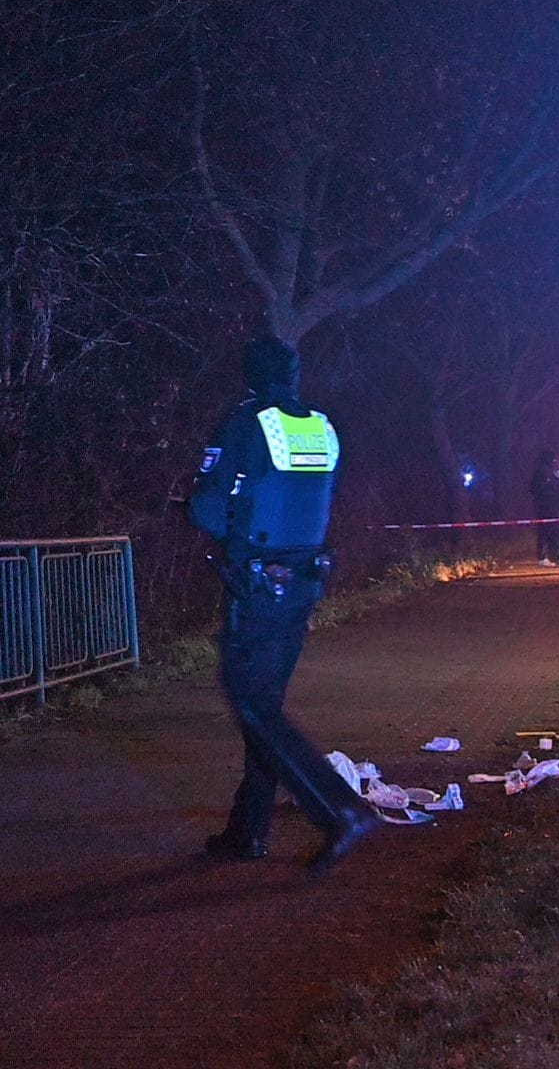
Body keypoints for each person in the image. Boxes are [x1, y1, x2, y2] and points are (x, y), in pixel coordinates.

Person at [189, 332, 374, 871]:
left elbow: (206, 507)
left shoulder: (247, 421)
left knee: (251, 701)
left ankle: (341, 809)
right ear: (293, 377)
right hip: (305, 580)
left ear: (251, 375)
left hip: (259, 583)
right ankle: (248, 831)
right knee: (262, 704)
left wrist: (207, 516)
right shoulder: (320, 425)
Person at [530, 453, 559, 566]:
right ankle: (544, 557)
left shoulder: (555, 476)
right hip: (546, 508)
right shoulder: (542, 474)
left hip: (558, 508)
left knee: (557, 533)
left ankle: (557, 556)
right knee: (545, 533)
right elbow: (542, 490)